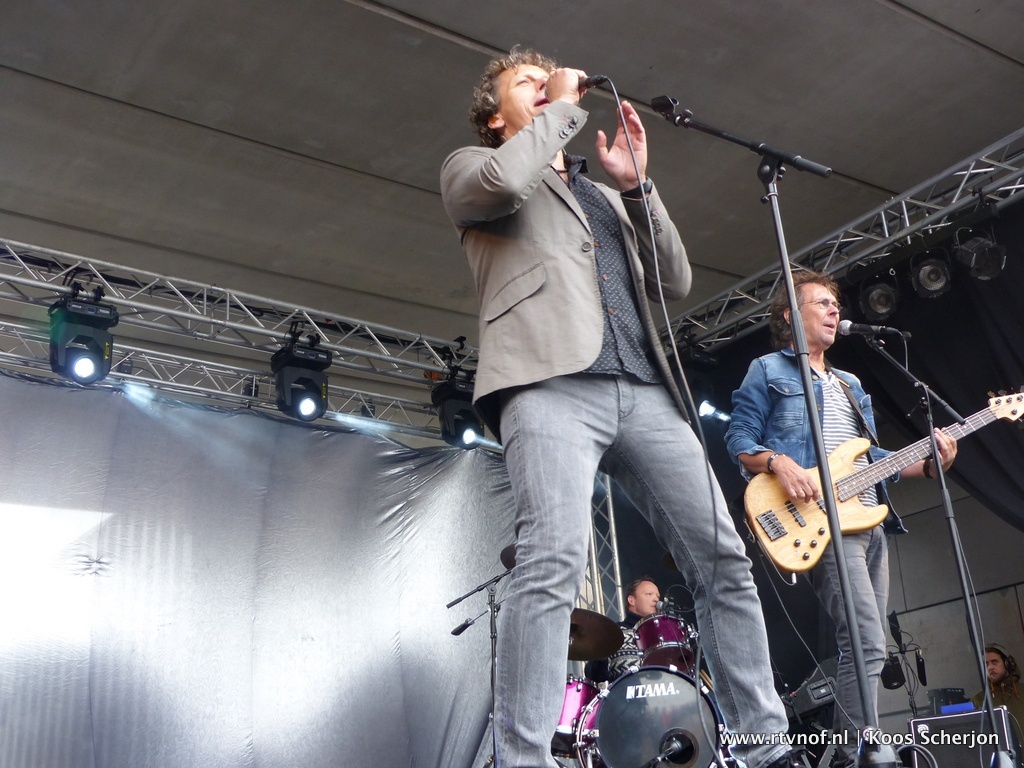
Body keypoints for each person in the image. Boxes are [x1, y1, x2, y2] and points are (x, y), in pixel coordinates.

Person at [441, 47, 801, 768]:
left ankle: (767, 747)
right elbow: (506, 181)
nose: (544, 85)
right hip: (548, 384)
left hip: (643, 389)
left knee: (724, 559)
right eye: (526, 83)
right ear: (494, 117)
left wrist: (638, 189)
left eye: (547, 79)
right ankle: (523, 759)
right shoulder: (473, 168)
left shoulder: (601, 197)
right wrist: (560, 107)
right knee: (550, 562)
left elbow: (674, 279)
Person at [725, 270, 957, 766]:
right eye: (822, 303)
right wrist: (779, 462)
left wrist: (929, 462)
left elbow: (871, 458)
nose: (835, 310)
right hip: (819, 523)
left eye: (836, 304)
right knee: (867, 643)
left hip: (869, 521)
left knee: (868, 646)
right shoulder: (767, 370)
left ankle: (850, 752)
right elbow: (739, 439)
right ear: (791, 315)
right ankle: (854, 755)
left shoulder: (850, 384)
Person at [585, 577, 661, 682]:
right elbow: (594, 675)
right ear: (631, 600)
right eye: (649, 594)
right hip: (625, 691)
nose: (656, 599)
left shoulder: (663, 634)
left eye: (658, 596)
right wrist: (602, 651)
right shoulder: (614, 632)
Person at [971, 644, 1024, 730]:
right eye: (986, 664)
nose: (990, 667)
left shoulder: (1022, 690)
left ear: (1007, 664)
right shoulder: (978, 700)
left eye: (994, 662)